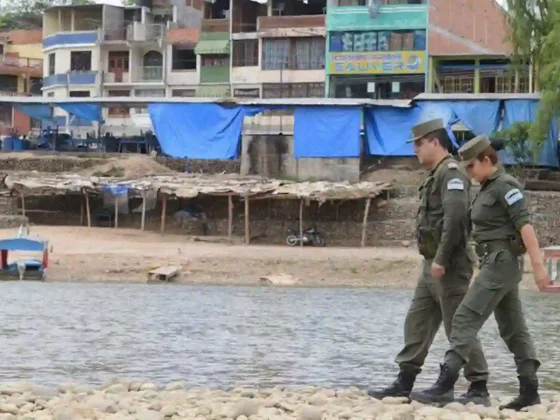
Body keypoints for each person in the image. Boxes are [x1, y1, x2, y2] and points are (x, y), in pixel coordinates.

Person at [411, 134, 549, 410]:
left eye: (472, 166)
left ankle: (446, 382)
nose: (469, 173)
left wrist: (539, 267)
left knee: (463, 317)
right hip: (492, 263)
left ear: (487, 160)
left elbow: (525, 227)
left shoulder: (506, 186)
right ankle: (530, 389)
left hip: (502, 261)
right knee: (513, 328)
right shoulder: (486, 188)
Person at [368, 119, 490, 406]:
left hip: (449, 265)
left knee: (457, 325)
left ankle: (478, 385)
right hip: (431, 265)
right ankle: (404, 380)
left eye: (419, 144)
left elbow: (456, 218)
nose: (416, 152)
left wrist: (442, 258)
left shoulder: (452, 174)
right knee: (418, 320)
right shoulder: (436, 175)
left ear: (435, 142)